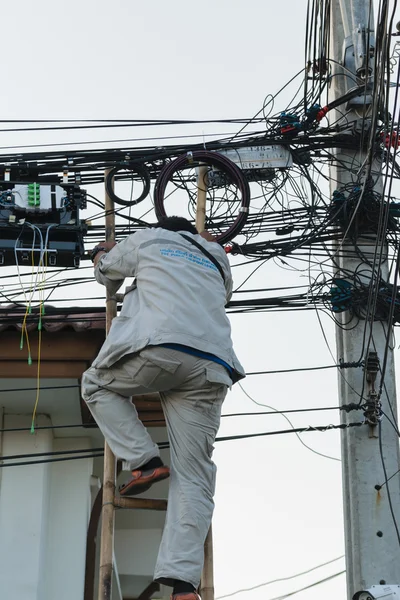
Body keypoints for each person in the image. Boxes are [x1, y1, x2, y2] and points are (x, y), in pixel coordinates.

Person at [82, 216, 245, 600]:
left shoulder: (149, 239)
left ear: (165, 229)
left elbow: (108, 275)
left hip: (158, 348)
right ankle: (184, 584)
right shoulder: (218, 257)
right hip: (211, 365)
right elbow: (223, 295)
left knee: (96, 384)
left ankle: (143, 461)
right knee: (195, 477)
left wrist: (100, 254)